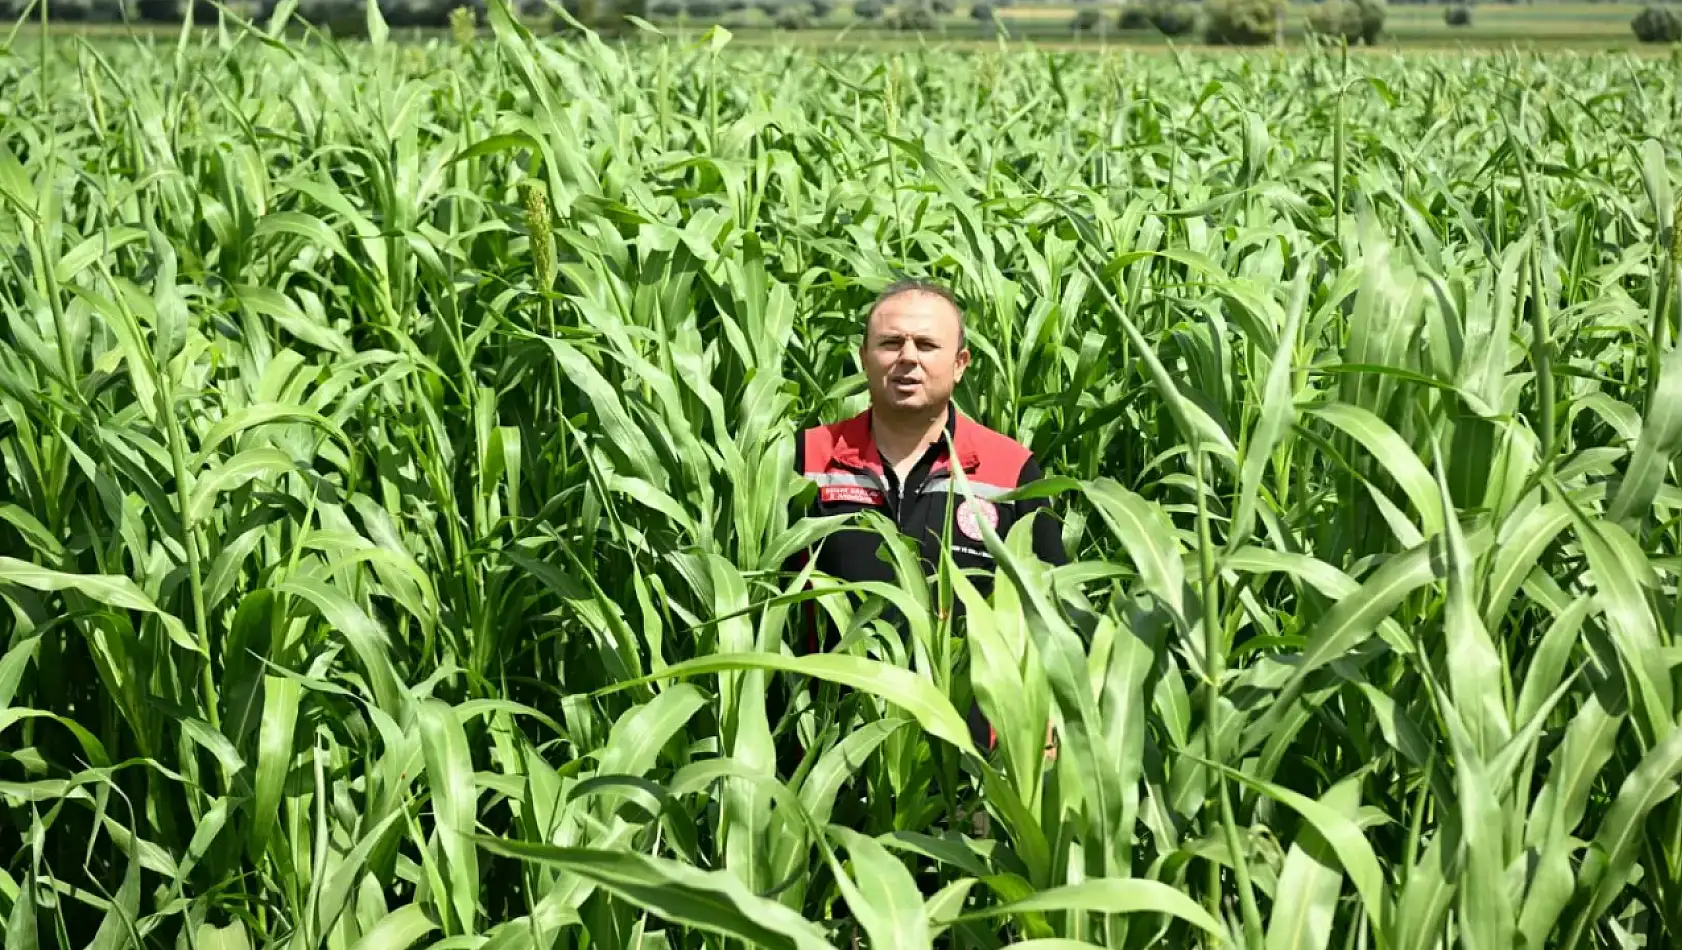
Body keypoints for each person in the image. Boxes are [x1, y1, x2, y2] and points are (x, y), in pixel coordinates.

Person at [785, 277, 1067, 757]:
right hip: (829, 752)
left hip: (972, 760)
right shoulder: (808, 458)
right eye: (890, 343)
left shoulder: (1010, 470)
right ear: (863, 358)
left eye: (927, 345)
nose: (908, 358)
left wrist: (1043, 747)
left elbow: (1051, 619)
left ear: (960, 365)